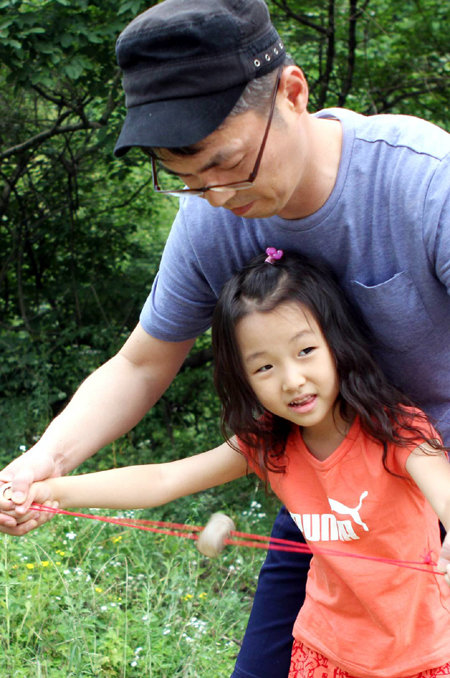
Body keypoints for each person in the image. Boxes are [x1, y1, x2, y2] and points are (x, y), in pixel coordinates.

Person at [1, 0, 449, 675]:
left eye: (228, 163)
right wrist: (47, 465)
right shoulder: (212, 215)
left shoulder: (424, 183)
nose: (212, 195)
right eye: (184, 177)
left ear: (292, 94)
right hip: (322, 490)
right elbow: (143, 364)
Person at [7, 250, 450, 678]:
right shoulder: (270, 444)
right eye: (263, 368)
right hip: (325, 652)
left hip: (424, 655)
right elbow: (165, 478)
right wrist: (53, 491)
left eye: (305, 351)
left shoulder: (398, 429)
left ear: (337, 344)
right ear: (243, 378)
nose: (291, 380)